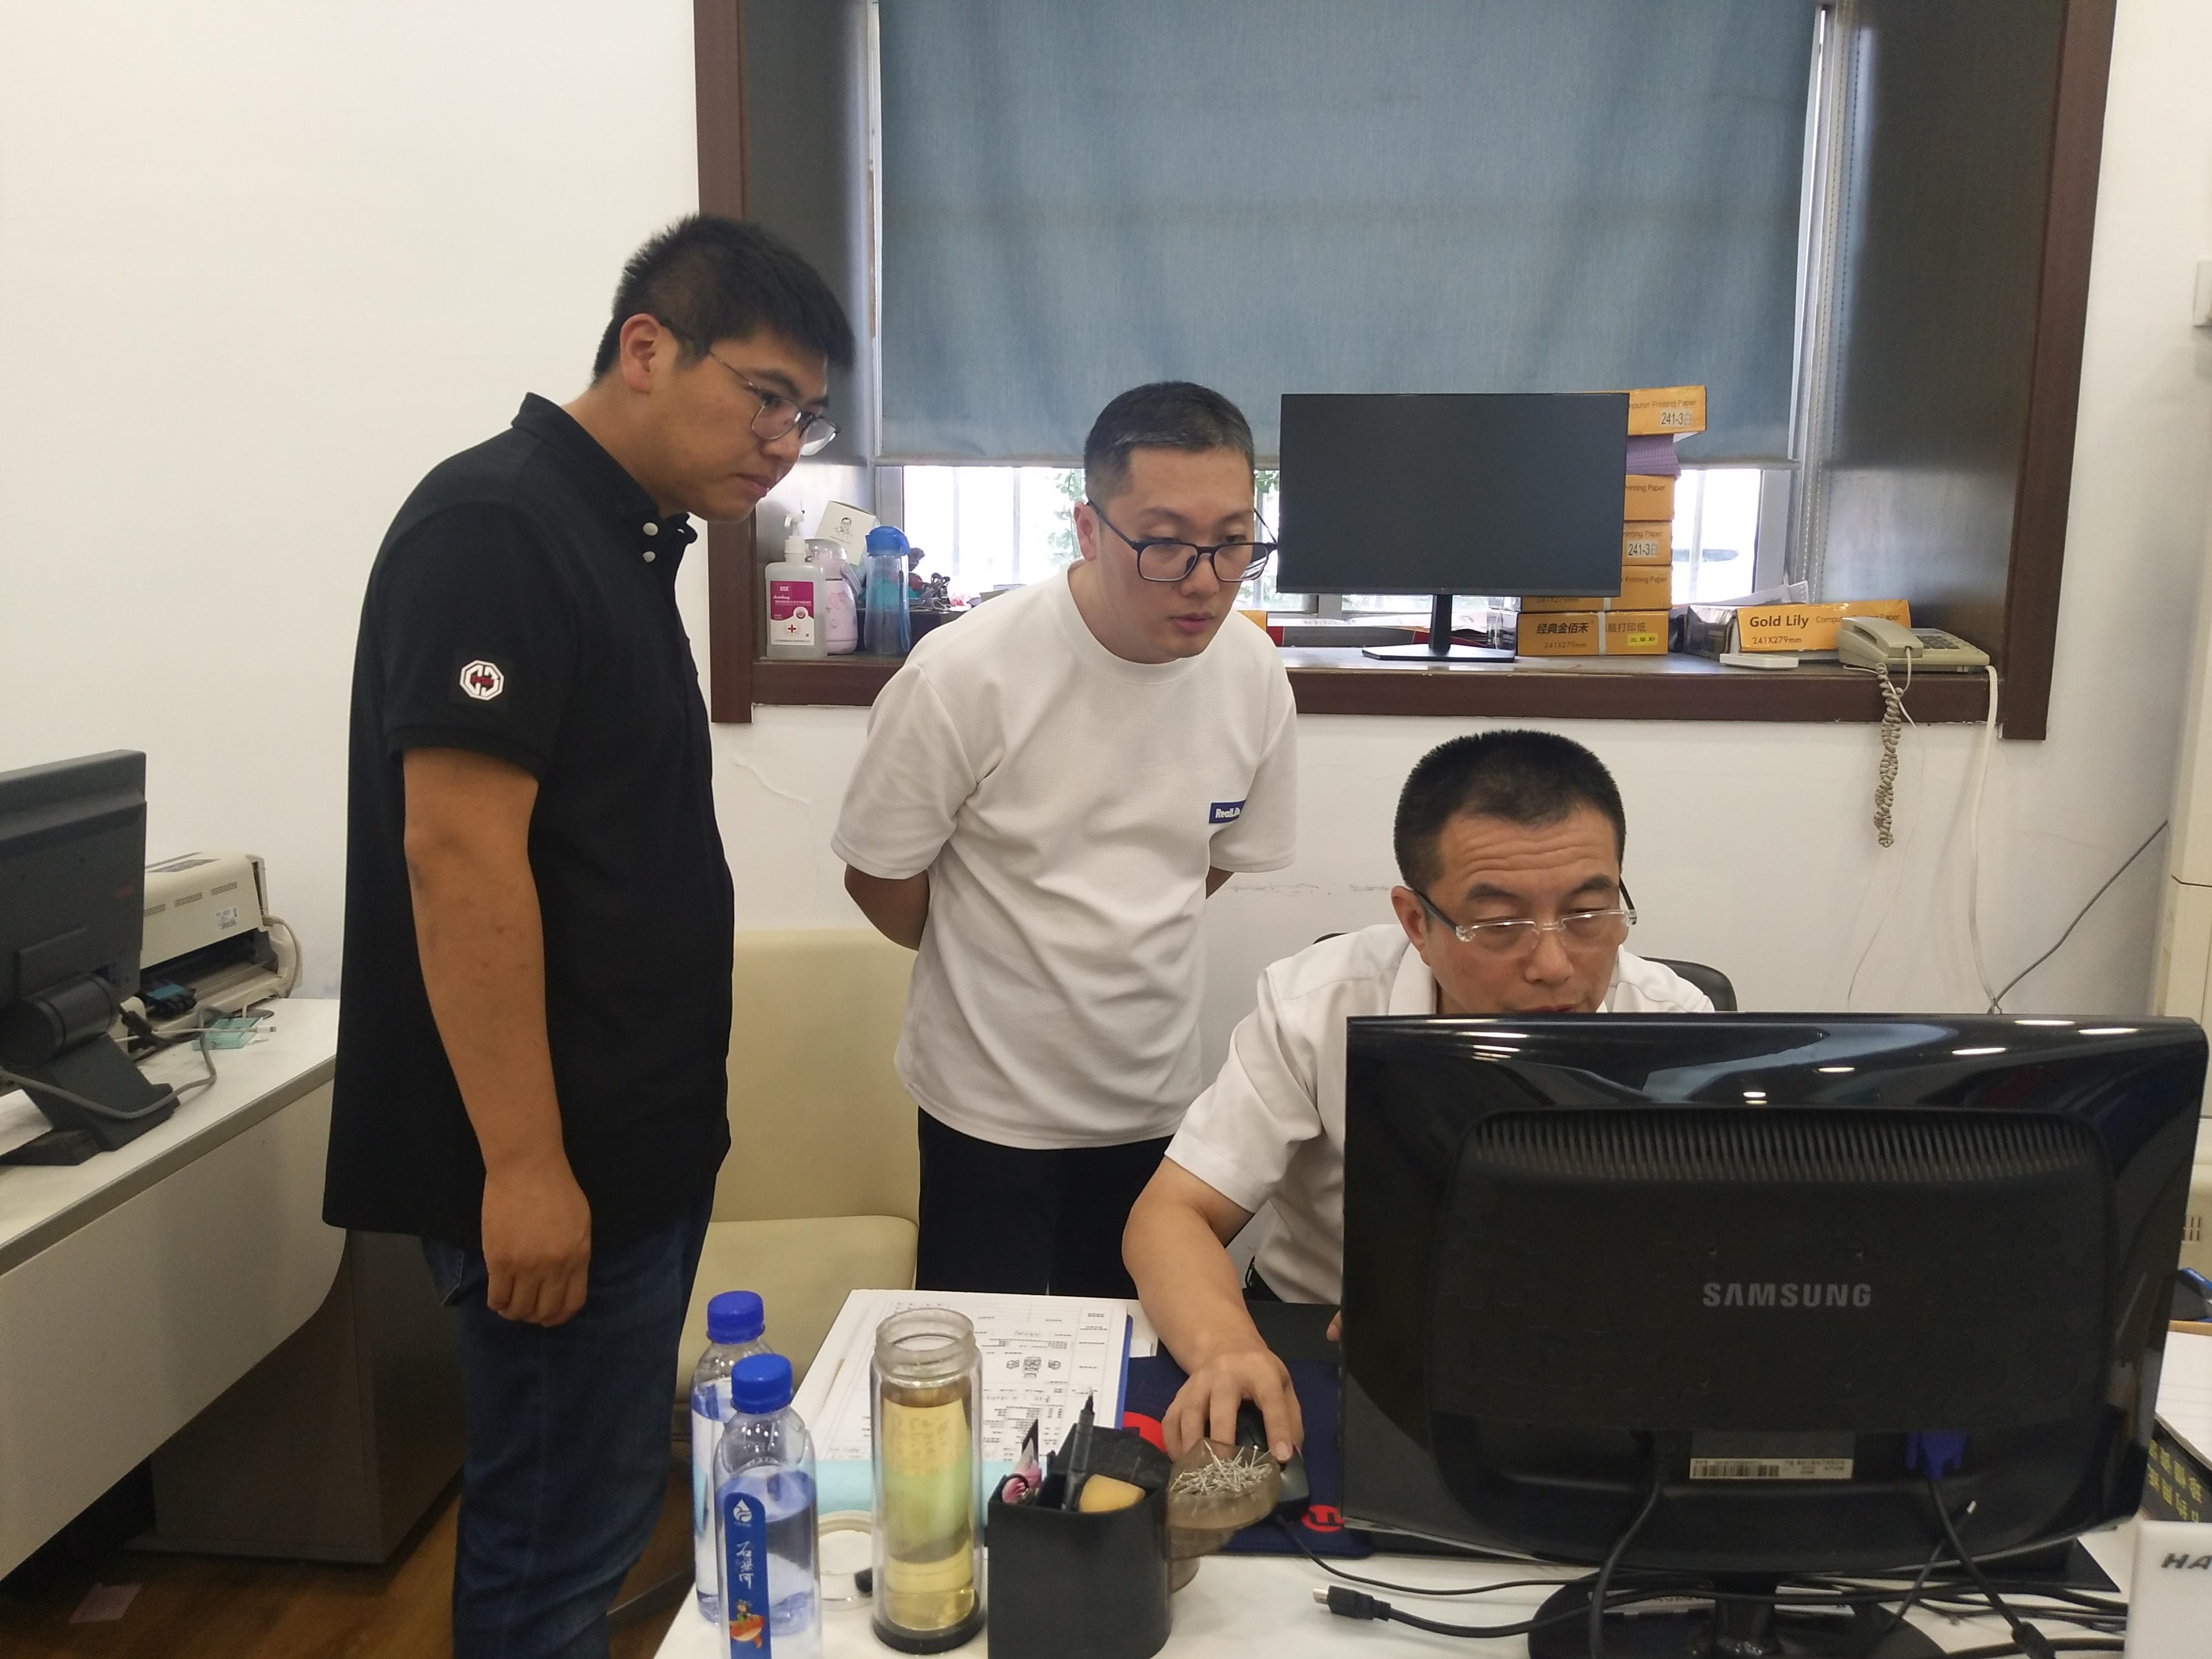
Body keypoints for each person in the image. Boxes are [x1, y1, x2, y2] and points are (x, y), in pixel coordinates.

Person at [324, 216, 853, 1659]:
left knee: (600, 1507)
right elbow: (457, 856)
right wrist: (524, 1168)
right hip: (556, 1161)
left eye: (805, 419)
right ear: (644, 348)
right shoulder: (499, 527)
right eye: (764, 398)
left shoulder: (615, 535)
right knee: (556, 1544)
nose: (783, 445)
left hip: (629, 1141)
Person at [1123, 729, 1713, 1462]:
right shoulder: (1320, 1005)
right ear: (1416, 924)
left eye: (1589, 914)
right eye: (1500, 925)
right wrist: (1225, 1351)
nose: (1555, 964)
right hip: (1324, 1336)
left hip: (1575, 1350)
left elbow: (1707, 1260)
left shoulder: (1671, 1025)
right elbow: (1172, 1214)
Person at [833, 382, 1297, 1297]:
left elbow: (1206, 865)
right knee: (987, 1358)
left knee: (1133, 1354)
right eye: (1165, 542)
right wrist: (998, 950)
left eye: (1234, 541)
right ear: (1088, 529)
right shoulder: (966, 674)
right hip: (985, 1107)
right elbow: (880, 878)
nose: (1204, 579)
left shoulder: (1252, 672)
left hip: (1157, 1098)